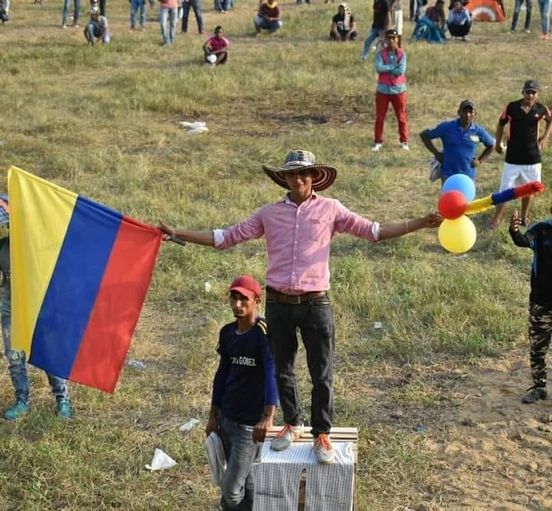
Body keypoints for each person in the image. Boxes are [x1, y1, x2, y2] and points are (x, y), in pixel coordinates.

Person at [159, 149, 442, 464]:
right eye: (292, 174)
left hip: (315, 303)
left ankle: (322, 433)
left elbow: (373, 232)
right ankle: (292, 424)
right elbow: (226, 237)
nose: (298, 179)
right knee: (283, 369)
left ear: (315, 177)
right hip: (279, 303)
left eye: (304, 173)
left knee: (321, 372)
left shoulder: (331, 209)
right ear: (284, 178)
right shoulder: (269, 213)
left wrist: (420, 223)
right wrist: (178, 233)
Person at [205, 275, 278, 511]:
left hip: (249, 427)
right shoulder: (227, 333)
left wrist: (268, 416)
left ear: (257, 300)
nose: (237, 305)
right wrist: (213, 415)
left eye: (243, 299)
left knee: (231, 489)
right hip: (227, 418)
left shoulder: (264, 334)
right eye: (233, 298)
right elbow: (222, 373)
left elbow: (271, 373)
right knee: (245, 479)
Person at [0, 196, 73, 421]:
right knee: (14, 356)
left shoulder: (38, 246)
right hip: (10, 306)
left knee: (50, 354)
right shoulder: (2, 247)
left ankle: (62, 399)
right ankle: (22, 400)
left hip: (41, 306)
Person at [489, 80, 552, 229]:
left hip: (532, 158)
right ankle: (496, 219)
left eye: (533, 92)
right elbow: (501, 124)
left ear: (537, 94)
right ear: (522, 92)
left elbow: (550, 121)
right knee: (504, 190)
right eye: (527, 92)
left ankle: (524, 217)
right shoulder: (512, 107)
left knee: (529, 189)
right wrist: (497, 143)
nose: (530, 95)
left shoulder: (541, 109)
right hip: (512, 159)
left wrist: (545, 136)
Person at [509, 209, 552, 404]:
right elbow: (522, 241)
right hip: (541, 305)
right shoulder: (541, 229)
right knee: (537, 348)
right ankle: (539, 387)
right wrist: (514, 230)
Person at [420, 100, 494, 184]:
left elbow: (491, 145)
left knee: (466, 198)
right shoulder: (447, 127)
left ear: (474, 114)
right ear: (459, 112)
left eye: (470, 112)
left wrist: (480, 161)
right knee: (450, 197)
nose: (467, 115)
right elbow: (424, 135)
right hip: (448, 175)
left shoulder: (478, 131)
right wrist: (436, 154)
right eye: (464, 111)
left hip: (468, 176)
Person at [372, 29, 409, 152]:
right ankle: (378, 141)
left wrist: (386, 68)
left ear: (397, 39)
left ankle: (404, 141)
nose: (391, 40)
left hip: (398, 90)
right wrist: (393, 66)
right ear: (386, 39)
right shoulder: (380, 54)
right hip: (383, 90)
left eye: (394, 38)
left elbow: (401, 71)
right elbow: (378, 67)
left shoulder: (402, 54)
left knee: (401, 117)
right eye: (389, 38)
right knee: (380, 117)